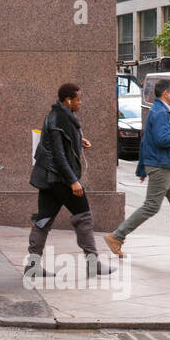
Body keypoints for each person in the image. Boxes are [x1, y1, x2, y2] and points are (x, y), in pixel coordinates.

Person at [105, 78, 170, 260]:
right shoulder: (159, 112)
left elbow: (146, 141)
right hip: (162, 165)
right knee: (151, 206)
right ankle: (116, 236)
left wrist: (142, 169)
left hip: (167, 165)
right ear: (165, 93)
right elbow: (162, 140)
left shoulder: (160, 110)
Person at [26, 82, 106, 280]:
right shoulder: (58, 120)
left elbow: (65, 144)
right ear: (68, 100)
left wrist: (80, 142)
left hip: (50, 178)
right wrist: (73, 181)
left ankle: (33, 265)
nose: (81, 103)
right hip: (60, 178)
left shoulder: (63, 116)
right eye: (78, 99)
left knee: (43, 220)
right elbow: (59, 156)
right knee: (84, 215)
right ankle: (93, 263)